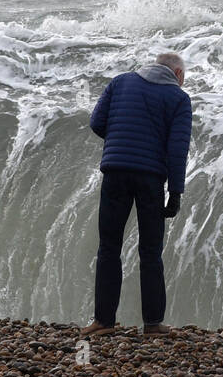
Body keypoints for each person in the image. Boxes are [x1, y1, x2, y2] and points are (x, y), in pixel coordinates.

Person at [82, 51, 192, 336]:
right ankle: (153, 323)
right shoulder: (178, 98)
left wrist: (121, 139)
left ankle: (103, 322)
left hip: (115, 172)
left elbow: (96, 123)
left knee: (109, 247)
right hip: (150, 179)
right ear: (178, 75)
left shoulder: (120, 83)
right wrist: (175, 193)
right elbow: (176, 150)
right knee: (150, 252)